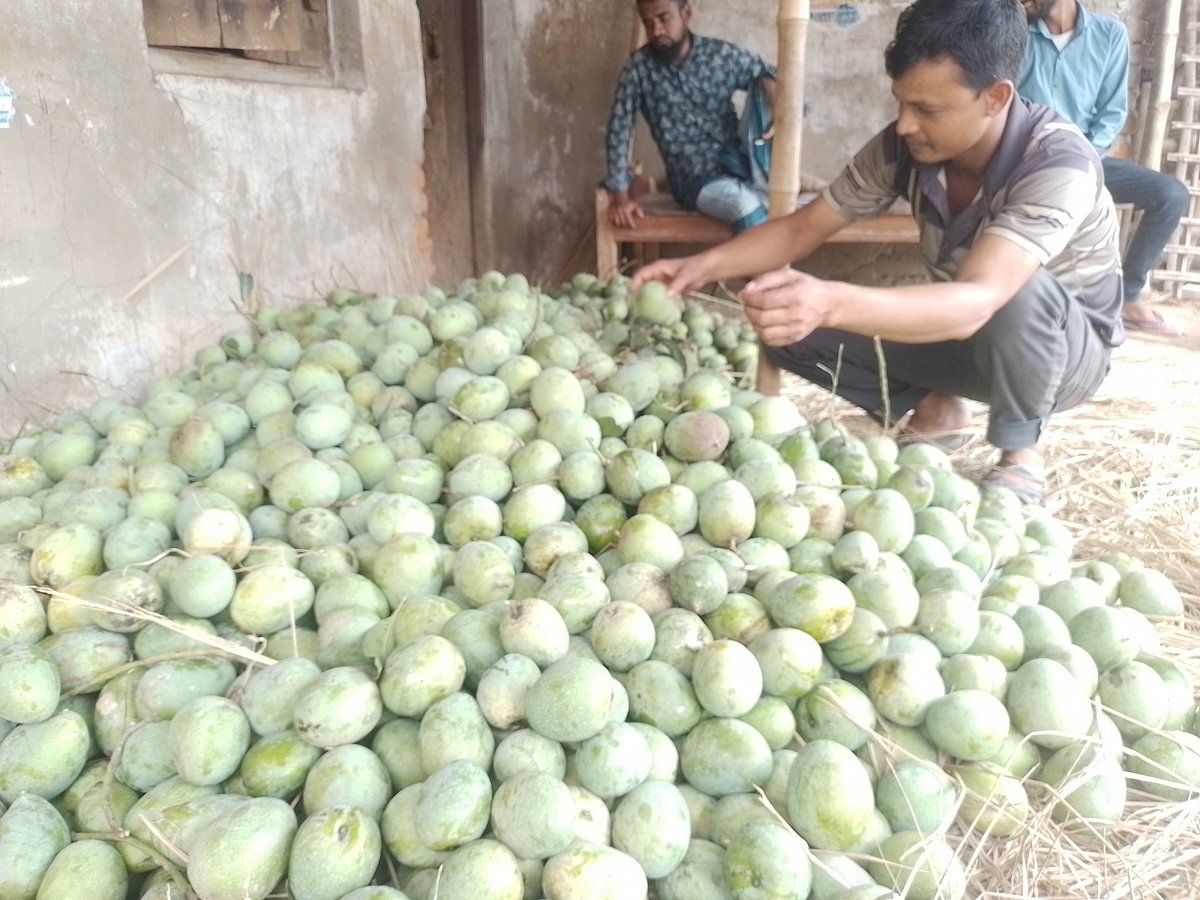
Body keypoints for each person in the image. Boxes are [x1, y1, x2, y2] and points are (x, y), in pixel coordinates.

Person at [631, 0, 1123, 506]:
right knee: (785, 324)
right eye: (901, 103)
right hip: (968, 336)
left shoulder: (1057, 163)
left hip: (1063, 359)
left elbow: (980, 300)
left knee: (1014, 292)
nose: (905, 124)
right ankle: (935, 407)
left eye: (927, 110)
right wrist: (697, 267)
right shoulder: (907, 146)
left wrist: (832, 299)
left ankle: (1022, 453)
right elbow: (802, 228)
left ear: (995, 98)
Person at [1018, 0, 1191, 336]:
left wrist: (1085, 156)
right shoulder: (1014, 31)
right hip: (1024, 161)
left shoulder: (1110, 35)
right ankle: (1031, 302)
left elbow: (1111, 113)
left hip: (1086, 158)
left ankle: (1128, 296)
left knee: (1170, 194)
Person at [603, 0, 778, 235]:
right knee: (745, 206)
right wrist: (621, 199)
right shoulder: (638, 70)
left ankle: (759, 267)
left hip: (741, 166)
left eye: (664, 19)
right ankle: (764, 271)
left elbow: (768, 73)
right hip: (692, 181)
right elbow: (618, 132)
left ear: (686, 13)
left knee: (767, 84)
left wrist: (779, 109)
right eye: (648, 23)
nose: (657, 31)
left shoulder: (718, 55)